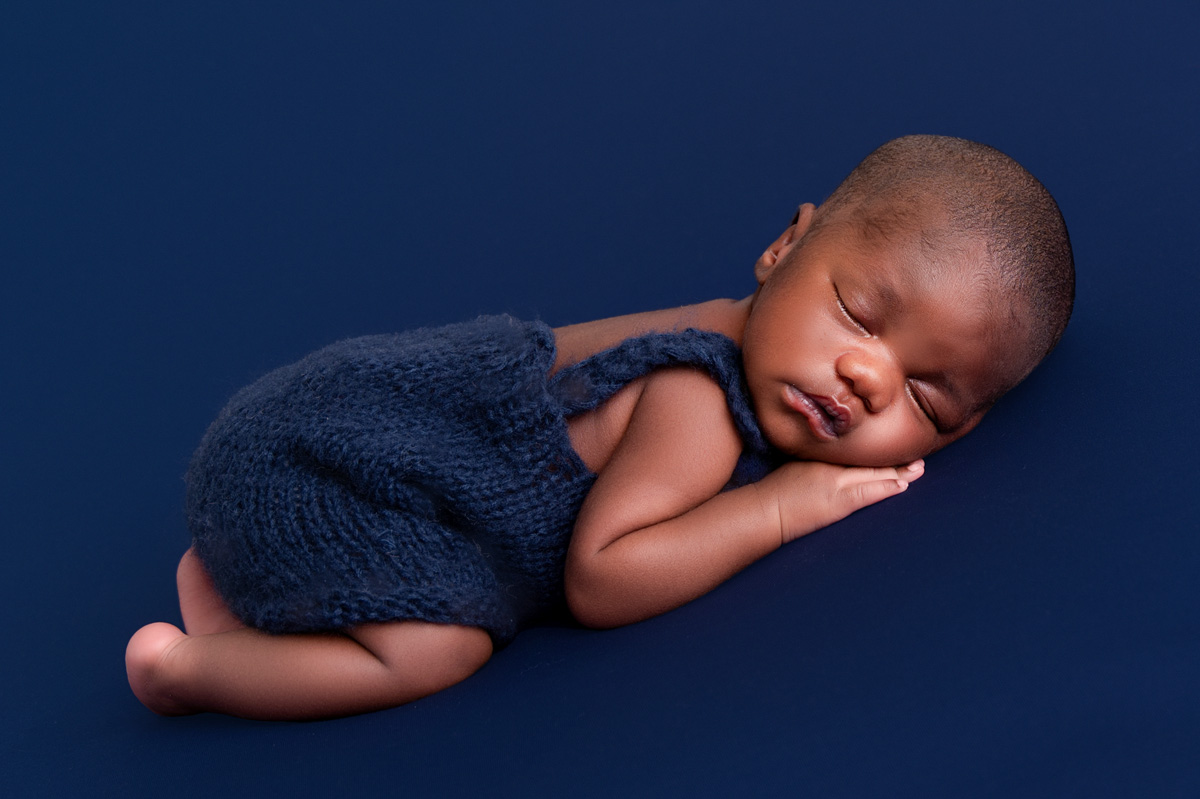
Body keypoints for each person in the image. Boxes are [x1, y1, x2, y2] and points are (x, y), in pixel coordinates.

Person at [126, 134, 1074, 720]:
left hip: (284, 443)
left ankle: (233, 588)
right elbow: (602, 577)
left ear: (956, 435)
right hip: (328, 477)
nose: (867, 376)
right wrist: (782, 508)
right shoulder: (696, 394)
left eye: (925, 399)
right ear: (785, 246)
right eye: (860, 316)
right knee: (435, 651)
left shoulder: (724, 324)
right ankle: (194, 671)